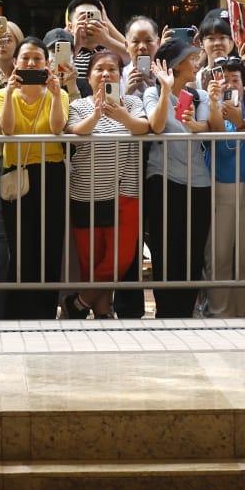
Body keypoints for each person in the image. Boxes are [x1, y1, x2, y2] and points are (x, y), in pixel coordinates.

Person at [64, 48, 151, 319]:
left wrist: (120, 115)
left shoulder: (132, 103)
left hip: (126, 190)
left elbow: (143, 128)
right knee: (91, 260)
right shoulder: (77, 105)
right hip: (85, 191)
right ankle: (102, 313)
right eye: (99, 69)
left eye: (112, 69)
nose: (105, 74)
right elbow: (76, 132)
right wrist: (97, 114)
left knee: (119, 260)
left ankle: (79, 301)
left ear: (120, 75)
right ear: (88, 77)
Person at [0, 37, 71, 319]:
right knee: (21, 244)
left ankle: (46, 311)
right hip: (16, 174)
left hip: (51, 172)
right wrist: (12, 92)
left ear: (47, 63)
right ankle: (18, 313)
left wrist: (54, 90)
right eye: (25, 58)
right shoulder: (3, 94)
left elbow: (57, 127)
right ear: (15, 62)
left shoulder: (57, 93)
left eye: (37, 59)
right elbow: (8, 130)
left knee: (50, 243)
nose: (31, 63)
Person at [142, 39, 211, 318]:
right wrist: (166, 91)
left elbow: (208, 126)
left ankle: (186, 310)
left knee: (193, 250)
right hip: (164, 177)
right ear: (174, 65)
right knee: (165, 248)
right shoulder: (152, 92)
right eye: (190, 58)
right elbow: (156, 126)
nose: (195, 63)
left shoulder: (200, 96)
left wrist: (196, 124)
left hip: (199, 180)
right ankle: (166, 311)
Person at [197, 56, 245, 317]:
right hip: (219, 188)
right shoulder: (209, 106)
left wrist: (241, 120)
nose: (230, 84)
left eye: (236, 80)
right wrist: (214, 101)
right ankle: (218, 311)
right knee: (218, 254)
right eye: (224, 79)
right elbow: (218, 128)